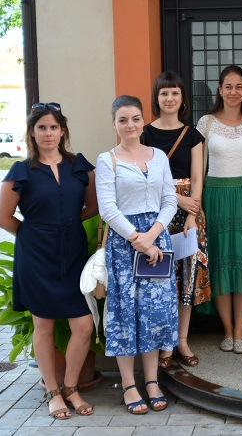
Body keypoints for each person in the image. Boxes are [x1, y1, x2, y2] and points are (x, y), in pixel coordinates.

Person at [0, 102, 97, 420]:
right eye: (42, 127)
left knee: (84, 325)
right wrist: (35, 234)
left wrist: (66, 226)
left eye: (54, 127)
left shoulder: (79, 166)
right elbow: (3, 218)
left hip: (73, 254)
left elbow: (93, 207)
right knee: (44, 325)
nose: (48, 133)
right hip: (37, 257)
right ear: (32, 132)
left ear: (63, 131)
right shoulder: (21, 171)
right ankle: (53, 392)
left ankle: (71, 388)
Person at [96, 95, 178, 415]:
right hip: (124, 245)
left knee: (154, 312)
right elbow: (108, 209)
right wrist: (138, 239)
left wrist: (152, 236)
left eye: (135, 118)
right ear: (114, 124)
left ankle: (152, 380)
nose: (130, 125)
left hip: (157, 242)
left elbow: (170, 200)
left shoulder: (159, 156)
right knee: (125, 312)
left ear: (143, 121)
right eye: (122, 120)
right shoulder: (108, 160)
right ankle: (129, 384)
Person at [196, 65, 242, 354]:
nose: (233, 92)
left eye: (239, 86)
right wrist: (197, 204)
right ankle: (227, 331)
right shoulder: (206, 123)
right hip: (214, 198)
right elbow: (197, 168)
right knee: (220, 264)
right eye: (228, 86)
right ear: (219, 89)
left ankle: (240, 332)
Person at [142, 72, 211, 369]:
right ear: (156, 98)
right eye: (164, 93)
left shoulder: (193, 135)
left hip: (189, 216)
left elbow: (197, 177)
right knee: (160, 279)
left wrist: (191, 214)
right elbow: (143, 176)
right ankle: (164, 343)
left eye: (174, 93)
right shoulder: (144, 134)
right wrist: (177, 199)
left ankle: (181, 341)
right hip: (155, 211)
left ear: (182, 99)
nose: (169, 99)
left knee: (186, 280)